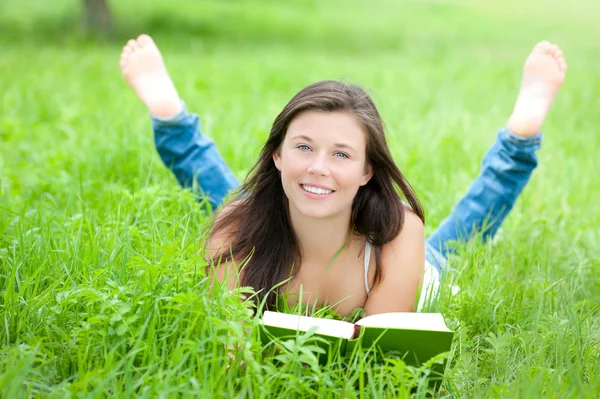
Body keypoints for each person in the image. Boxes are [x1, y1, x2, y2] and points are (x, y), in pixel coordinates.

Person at [119, 35, 567, 317]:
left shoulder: (400, 233)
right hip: (266, 214)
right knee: (237, 207)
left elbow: (380, 354)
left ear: (367, 171)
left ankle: (520, 136)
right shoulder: (232, 229)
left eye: (341, 154)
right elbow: (229, 346)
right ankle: (170, 117)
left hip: (396, 257)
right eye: (303, 147)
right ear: (276, 154)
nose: (319, 166)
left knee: (461, 234)